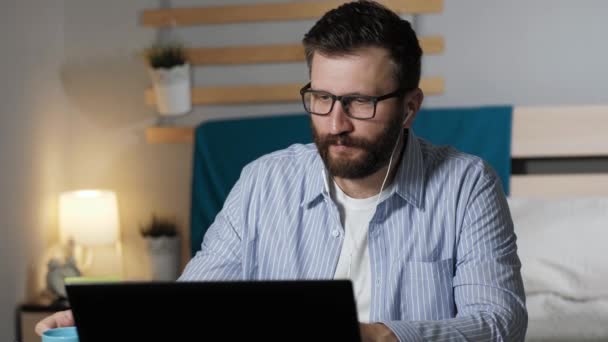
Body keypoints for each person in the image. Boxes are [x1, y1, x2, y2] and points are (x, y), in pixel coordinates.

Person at [36, 1, 527, 340]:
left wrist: (379, 336)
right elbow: (193, 308)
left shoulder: (467, 185)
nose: (336, 124)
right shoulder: (262, 182)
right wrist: (95, 324)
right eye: (321, 98)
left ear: (411, 106)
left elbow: (499, 323)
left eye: (359, 102)